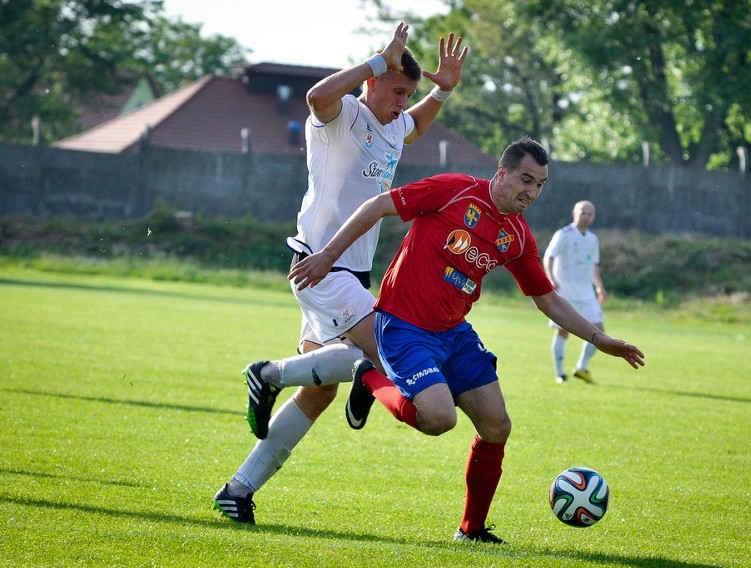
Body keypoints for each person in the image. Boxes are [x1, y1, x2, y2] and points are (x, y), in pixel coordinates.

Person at [288, 137, 645, 544]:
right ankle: (370, 373)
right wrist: (329, 255)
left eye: (540, 185)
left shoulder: (517, 235)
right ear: (502, 173)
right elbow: (378, 205)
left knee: (497, 426)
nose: (530, 192)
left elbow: (546, 298)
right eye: (525, 180)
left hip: (454, 334)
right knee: (439, 419)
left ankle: (471, 530)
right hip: (404, 326)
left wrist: (599, 339)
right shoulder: (454, 189)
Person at [213, 22, 469, 524]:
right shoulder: (342, 114)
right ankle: (271, 374)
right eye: (397, 91)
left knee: (319, 390)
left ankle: (237, 489)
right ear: (372, 82)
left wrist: (441, 90)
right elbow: (315, 95)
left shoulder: (395, 124)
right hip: (319, 263)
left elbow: (414, 126)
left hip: (353, 271)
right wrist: (379, 59)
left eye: (407, 93)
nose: (402, 102)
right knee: (382, 345)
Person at [542, 200, 607, 384]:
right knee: (563, 332)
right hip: (566, 291)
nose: (585, 216)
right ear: (574, 213)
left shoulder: (593, 239)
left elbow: (593, 266)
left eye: (589, 213)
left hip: (587, 293)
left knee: (599, 332)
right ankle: (560, 373)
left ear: (594, 217)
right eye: (582, 212)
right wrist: (551, 279)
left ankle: (582, 367)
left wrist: (599, 287)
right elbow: (549, 257)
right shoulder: (564, 234)